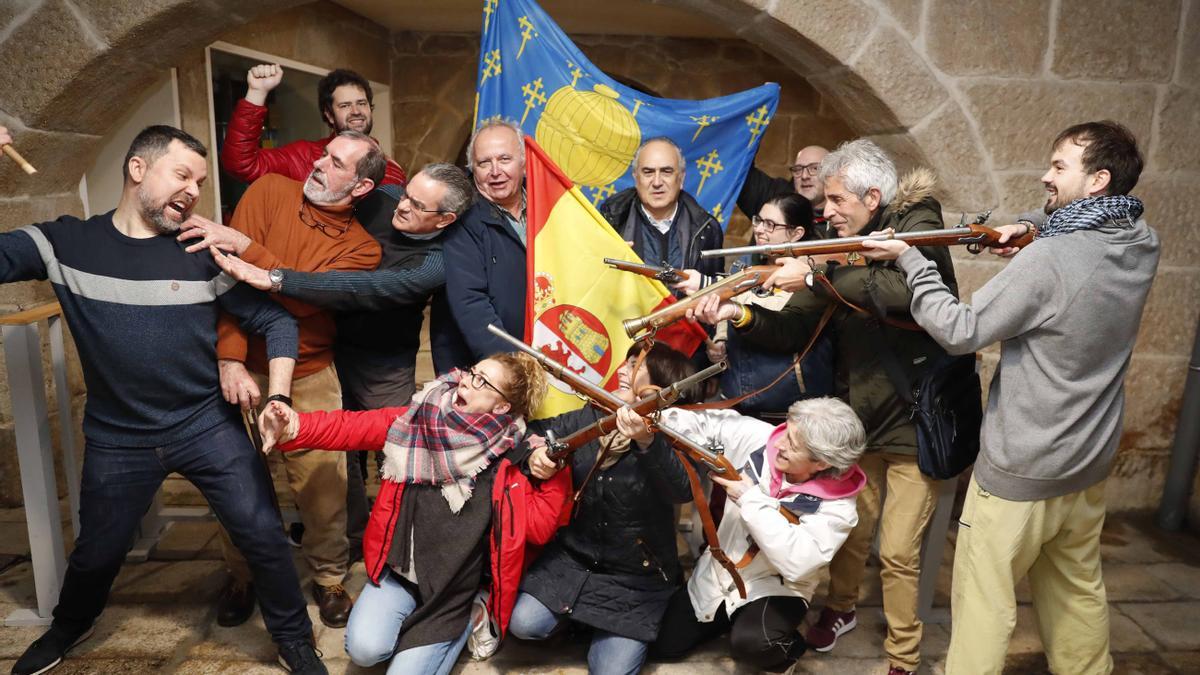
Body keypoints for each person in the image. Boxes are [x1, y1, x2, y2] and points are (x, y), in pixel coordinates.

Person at [1, 125, 325, 675]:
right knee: (98, 553)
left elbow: (275, 320)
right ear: (137, 170)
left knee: (264, 536)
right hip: (117, 435)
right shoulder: (65, 245)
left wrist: (275, 393)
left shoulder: (200, 251)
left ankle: (294, 640)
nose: (194, 190)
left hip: (207, 425)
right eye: (182, 175)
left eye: (199, 181)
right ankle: (67, 628)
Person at [858, 120, 1160, 675]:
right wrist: (1030, 226)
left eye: (1059, 167)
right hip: (1086, 462)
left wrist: (908, 259)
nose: (1045, 175)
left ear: (1097, 180)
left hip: (1021, 468)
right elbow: (1066, 228)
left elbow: (959, 328)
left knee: (983, 606)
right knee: (1077, 593)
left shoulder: (1052, 261)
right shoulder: (1140, 240)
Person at [690, 139, 958, 675]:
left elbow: (896, 293)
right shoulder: (840, 248)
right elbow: (793, 324)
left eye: (835, 201)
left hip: (914, 419)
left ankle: (902, 658)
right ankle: (840, 610)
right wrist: (738, 314)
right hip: (860, 418)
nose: (825, 211)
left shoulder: (918, 224)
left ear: (873, 197)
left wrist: (815, 271)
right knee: (855, 533)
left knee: (900, 551)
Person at [211, 162, 475, 559]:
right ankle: (351, 541)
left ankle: (400, 543)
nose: (400, 206)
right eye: (405, 193)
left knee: (397, 450)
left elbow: (360, 286)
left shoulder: (436, 261)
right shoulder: (382, 199)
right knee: (339, 456)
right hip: (328, 346)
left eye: (416, 205)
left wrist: (277, 278)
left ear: (445, 218)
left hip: (383, 363)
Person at [180, 130, 385, 629]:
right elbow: (228, 282)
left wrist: (253, 249)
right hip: (237, 369)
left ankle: (330, 577)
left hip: (311, 374)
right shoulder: (269, 189)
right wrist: (228, 360)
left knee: (323, 489)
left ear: (359, 188)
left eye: (336, 163)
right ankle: (242, 573)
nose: (318, 163)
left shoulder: (363, 252)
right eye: (323, 153)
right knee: (239, 483)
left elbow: (300, 299)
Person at [257, 353, 567, 675]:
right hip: (402, 576)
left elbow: (539, 528)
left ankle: (469, 617)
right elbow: (352, 427)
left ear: (501, 407)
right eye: (472, 372)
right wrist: (295, 426)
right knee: (364, 650)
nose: (465, 380)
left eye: (481, 381)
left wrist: (553, 472)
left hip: (452, 594)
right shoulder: (419, 418)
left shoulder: (510, 456)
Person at [509, 343, 699, 675]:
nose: (623, 370)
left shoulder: (669, 431)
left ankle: (594, 624)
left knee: (610, 671)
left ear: (658, 386)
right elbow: (532, 434)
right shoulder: (591, 414)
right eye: (625, 363)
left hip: (636, 577)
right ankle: (582, 621)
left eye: (636, 366)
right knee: (524, 624)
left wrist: (647, 442)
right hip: (574, 561)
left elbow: (681, 489)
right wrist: (535, 455)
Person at [653, 398, 867, 672]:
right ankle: (730, 618)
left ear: (821, 463)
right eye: (786, 432)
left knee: (755, 644)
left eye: (792, 444)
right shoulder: (761, 438)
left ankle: (789, 654)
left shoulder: (839, 507)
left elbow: (797, 561)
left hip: (776, 587)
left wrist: (750, 499)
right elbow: (708, 425)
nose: (778, 443)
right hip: (720, 573)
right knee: (664, 644)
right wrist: (654, 417)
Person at [708, 193, 833, 415]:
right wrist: (721, 340)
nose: (759, 229)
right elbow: (729, 309)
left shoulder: (809, 276)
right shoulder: (745, 266)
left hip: (789, 406)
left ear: (796, 233)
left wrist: (722, 293)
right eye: (758, 220)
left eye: (770, 224)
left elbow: (778, 320)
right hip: (737, 400)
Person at [220, 63, 406, 188]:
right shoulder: (305, 156)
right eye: (345, 105)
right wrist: (256, 93)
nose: (356, 111)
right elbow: (240, 164)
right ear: (329, 115)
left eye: (362, 103)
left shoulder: (391, 168)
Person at [441, 117, 529, 367]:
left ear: (523, 163)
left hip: (547, 350)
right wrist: (511, 367)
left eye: (504, 159)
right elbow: (471, 303)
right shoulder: (460, 219)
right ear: (472, 169)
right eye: (484, 163)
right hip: (493, 366)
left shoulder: (550, 207)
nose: (495, 171)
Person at [598, 137, 724, 295]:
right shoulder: (610, 221)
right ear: (636, 177)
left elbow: (716, 295)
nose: (657, 182)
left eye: (666, 171)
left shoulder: (706, 229)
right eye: (648, 172)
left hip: (685, 319)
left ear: (681, 177)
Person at [737, 145, 832, 238]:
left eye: (814, 168)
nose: (804, 176)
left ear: (831, 173)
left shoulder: (840, 217)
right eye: (798, 169)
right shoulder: (775, 196)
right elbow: (738, 166)